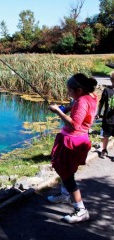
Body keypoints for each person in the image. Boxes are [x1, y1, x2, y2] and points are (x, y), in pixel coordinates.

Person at [47, 73, 98, 224]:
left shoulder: (82, 101)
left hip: (73, 142)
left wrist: (58, 111)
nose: (68, 93)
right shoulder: (90, 97)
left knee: (68, 175)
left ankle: (80, 210)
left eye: (70, 90)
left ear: (79, 90)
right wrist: (66, 107)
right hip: (75, 139)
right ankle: (64, 194)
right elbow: (79, 108)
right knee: (63, 169)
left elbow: (74, 124)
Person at [95, 71, 114, 158]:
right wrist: (98, 113)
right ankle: (104, 149)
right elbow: (101, 102)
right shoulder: (107, 90)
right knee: (106, 135)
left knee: (106, 135)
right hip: (107, 117)